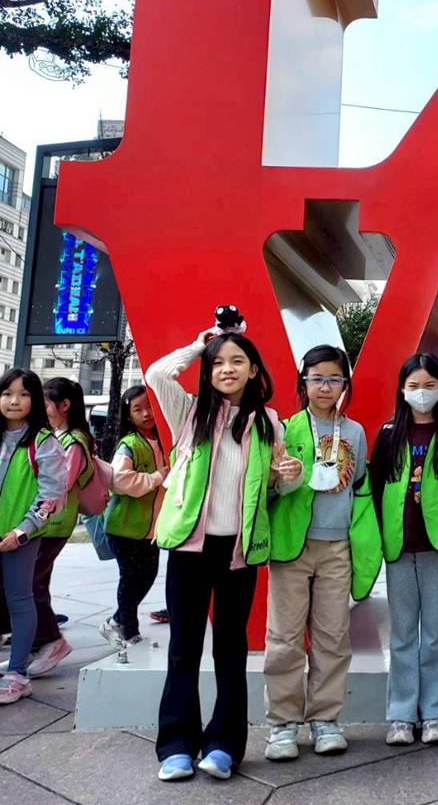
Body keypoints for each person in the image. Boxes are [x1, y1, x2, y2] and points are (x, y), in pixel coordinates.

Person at [147, 320, 302, 781]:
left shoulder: (269, 423)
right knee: (184, 648)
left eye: (237, 361)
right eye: (218, 363)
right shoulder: (189, 412)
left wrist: (289, 475)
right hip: (189, 549)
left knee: (231, 651)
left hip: (239, 552)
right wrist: (199, 345)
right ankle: (177, 745)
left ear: (254, 370)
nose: (226, 369)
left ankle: (224, 746)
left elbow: (276, 486)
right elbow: (157, 374)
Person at [264, 345, 381, 761]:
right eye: (317, 378)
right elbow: (269, 489)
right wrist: (283, 480)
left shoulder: (356, 433)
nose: (326, 387)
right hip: (291, 547)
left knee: (333, 637)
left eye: (334, 379)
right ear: (304, 382)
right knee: (284, 638)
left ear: (344, 384)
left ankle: (325, 720)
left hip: (337, 547)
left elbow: (359, 488)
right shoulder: (285, 429)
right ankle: (282, 725)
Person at [369, 352, 438, 747]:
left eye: (429, 385)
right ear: (402, 389)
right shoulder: (388, 433)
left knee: (434, 632)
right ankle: (401, 716)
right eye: (414, 385)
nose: (422, 392)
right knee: (402, 633)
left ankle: (434, 714)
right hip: (399, 547)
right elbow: (376, 487)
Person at [21, 378, 96, 678]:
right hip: (46, 522)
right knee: (36, 583)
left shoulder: (73, 442)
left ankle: (52, 641)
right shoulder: (57, 437)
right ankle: (36, 646)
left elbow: (59, 484)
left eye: (44, 403)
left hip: (52, 523)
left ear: (64, 405)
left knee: (28, 584)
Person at [0, 369, 65, 705]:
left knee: (20, 600)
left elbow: (51, 497)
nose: (14, 401)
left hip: (19, 538)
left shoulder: (43, 442)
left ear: (35, 400)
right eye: (7, 393)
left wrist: (22, 532)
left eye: (24, 394)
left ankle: (18, 675)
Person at [101, 385, 168, 647]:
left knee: (147, 575)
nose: (146, 414)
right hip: (125, 527)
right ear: (129, 415)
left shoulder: (163, 440)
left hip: (150, 528)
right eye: (138, 409)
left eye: (149, 407)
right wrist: (156, 477)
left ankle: (118, 621)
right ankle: (128, 629)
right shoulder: (129, 444)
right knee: (131, 579)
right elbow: (118, 480)